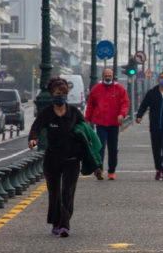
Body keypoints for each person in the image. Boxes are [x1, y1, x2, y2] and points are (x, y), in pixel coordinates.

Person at [28, 77, 87, 237]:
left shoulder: (74, 112)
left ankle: (65, 224)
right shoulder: (47, 113)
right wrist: (33, 139)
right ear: (52, 94)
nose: (59, 96)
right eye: (56, 93)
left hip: (72, 159)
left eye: (62, 93)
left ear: (66, 94)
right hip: (52, 159)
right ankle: (55, 221)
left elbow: (86, 131)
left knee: (68, 192)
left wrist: (92, 159)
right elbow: (36, 127)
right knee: (55, 193)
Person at [84, 67, 130, 181]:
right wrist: (87, 118)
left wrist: (122, 114)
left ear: (112, 76)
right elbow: (90, 105)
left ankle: (112, 171)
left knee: (113, 149)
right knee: (100, 147)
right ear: (102, 76)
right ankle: (99, 170)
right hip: (100, 124)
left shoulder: (119, 89)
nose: (108, 78)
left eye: (110, 76)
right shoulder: (96, 89)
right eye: (106, 76)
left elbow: (125, 103)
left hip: (114, 124)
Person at [136, 71, 163, 181]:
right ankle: (158, 169)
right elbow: (144, 105)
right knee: (156, 149)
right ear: (158, 79)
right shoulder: (152, 93)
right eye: (162, 77)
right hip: (154, 126)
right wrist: (139, 116)